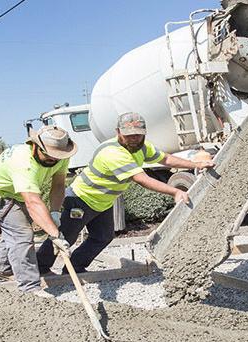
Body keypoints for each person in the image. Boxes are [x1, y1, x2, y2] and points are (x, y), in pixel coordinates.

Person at [37, 112, 213, 274]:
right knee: (65, 236)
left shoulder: (141, 147)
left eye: (138, 134)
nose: (134, 139)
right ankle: (40, 268)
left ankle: (74, 268)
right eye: (129, 135)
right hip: (81, 200)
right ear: (118, 132)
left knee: (103, 236)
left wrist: (195, 164)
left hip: (103, 202)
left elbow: (165, 159)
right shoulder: (112, 152)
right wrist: (175, 191)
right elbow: (141, 179)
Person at [0, 127, 75, 292]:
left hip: (20, 195)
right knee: (22, 235)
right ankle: (30, 288)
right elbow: (33, 202)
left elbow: (58, 185)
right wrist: (55, 235)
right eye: (48, 154)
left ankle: (2, 270)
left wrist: (55, 213)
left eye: (57, 156)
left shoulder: (61, 156)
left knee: (13, 231)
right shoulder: (23, 160)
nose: (53, 159)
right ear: (35, 145)